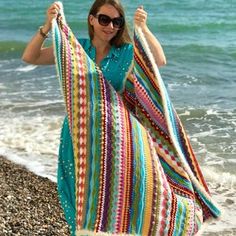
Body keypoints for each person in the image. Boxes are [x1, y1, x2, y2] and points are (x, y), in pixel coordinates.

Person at [22, 0, 166, 235]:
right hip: (77, 130)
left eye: (116, 22)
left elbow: (159, 61)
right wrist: (47, 26)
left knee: (111, 194)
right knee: (77, 190)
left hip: (113, 135)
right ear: (91, 19)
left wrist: (143, 29)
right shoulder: (76, 48)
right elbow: (31, 57)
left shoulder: (126, 52)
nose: (110, 26)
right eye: (104, 19)